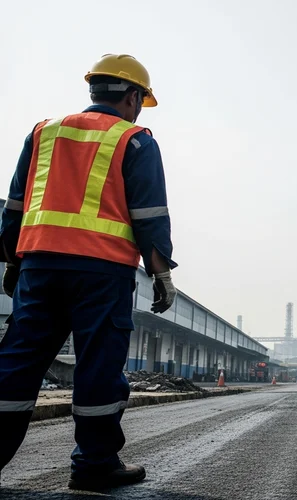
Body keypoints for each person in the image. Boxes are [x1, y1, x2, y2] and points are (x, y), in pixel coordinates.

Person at [0, 54, 177, 490]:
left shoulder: (44, 132)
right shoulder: (134, 141)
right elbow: (149, 214)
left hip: (39, 267)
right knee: (98, 366)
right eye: (141, 101)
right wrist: (161, 273)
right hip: (102, 272)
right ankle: (95, 466)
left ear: (94, 90)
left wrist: (13, 260)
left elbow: (16, 207)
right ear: (133, 97)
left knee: (16, 365)